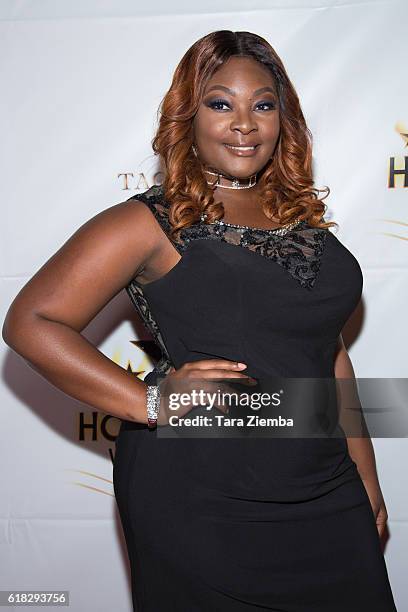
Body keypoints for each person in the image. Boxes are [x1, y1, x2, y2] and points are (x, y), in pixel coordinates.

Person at [2, 30, 397, 611]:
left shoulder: (307, 225)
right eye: (220, 103)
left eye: (263, 104)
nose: (244, 123)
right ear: (188, 116)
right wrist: (149, 402)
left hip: (323, 483)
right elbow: (31, 322)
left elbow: (329, 352)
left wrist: (365, 470)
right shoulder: (148, 222)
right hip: (203, 494)